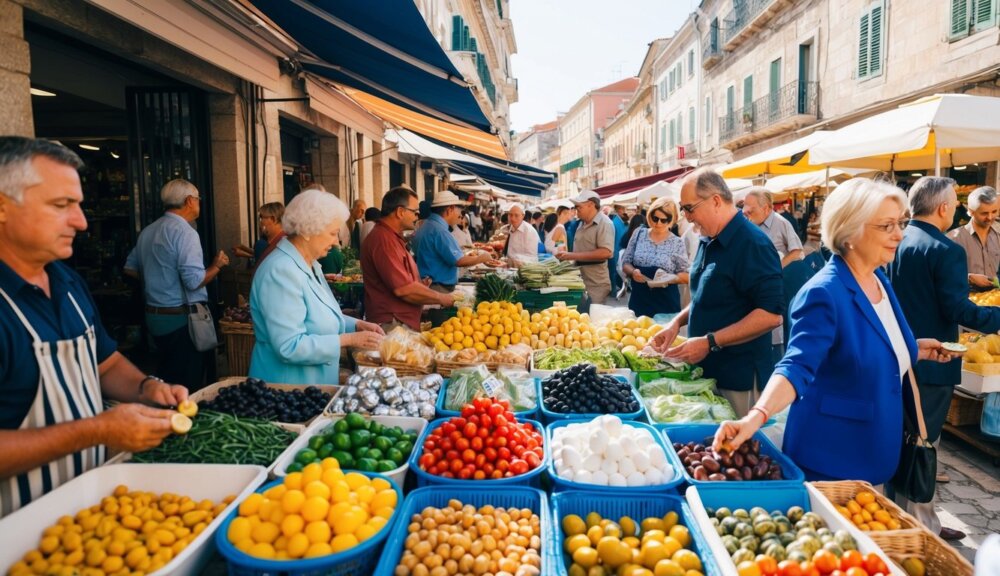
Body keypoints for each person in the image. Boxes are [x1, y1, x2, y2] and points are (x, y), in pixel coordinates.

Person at [710, 178, 956, 486]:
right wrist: (755, 417)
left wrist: (912, 348)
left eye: (900, 223)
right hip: (835, 459)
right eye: (887, 226)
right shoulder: (824, 292)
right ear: (851, 231)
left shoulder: (879, 279)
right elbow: (797, 365)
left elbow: (862, 344)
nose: (899, 234)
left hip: (875, 452)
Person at [0, 137, 186, 516]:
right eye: (61, 205)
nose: (81, 222)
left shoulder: (67, 282)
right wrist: (97, 430)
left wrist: (146, 387)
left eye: (79, 205)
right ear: (3, 206)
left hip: (88, 513)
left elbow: (105, 363)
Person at [888, 176, 1000, 541]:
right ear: (943, 208)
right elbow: (958, 309)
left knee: (903, 439)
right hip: (932, 361)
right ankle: (920, 525)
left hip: (898, 355)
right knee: (922, 444)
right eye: (954, 202)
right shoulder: (946, 249)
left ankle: (905, 515)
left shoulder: (896, 239)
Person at [649, 168, 784, 417]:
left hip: (737, 378)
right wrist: (676, 324)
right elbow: (706, 295)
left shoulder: (753, 244)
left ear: (715, 201)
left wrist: (710, 342)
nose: (687, 218)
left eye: (689, 208)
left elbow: (771, 316)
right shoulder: (708, 239)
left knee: (735, 452)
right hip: (708, 372)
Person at [249, 189, 384, 384]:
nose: (336, 242)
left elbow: (318, 313)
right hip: (286, 387)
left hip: (311, 384)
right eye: (332, 233)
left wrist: (355, 324)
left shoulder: (310, 263)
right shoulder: (280, 271)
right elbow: (289, 346)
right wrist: (349, 339)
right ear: (307, 231)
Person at [125, 178, 228, 391]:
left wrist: (157, 280)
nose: (199, 203)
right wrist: (217, 266)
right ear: (190, 201)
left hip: (154, 317)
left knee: (167, 378)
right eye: (198, 199)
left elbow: (129, 268)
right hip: (180, 319)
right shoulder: (185, 233)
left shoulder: (148, 231)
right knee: (186, 385)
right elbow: (194, 281)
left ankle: (166, 419)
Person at [361, 186, 456, 331]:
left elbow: (402, 280)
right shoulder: (383, 240)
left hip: (399, 320)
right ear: (400, 212)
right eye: (415, 212)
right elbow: (403, 289)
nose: (417, 216)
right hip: (392, 323)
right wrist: (441, 298)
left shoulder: (391, 237)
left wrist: (419, 284)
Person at [621, 198, 689, 316]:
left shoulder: (677, 242)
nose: (658, 223)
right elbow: (625, 262)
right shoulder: (639, 234)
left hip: (665, 302)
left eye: (664, 220)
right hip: (639, 299)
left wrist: (669, 278)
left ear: (672, 220)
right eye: (655, 218)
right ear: (649, 215)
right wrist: (633, 272)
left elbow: (686, 276)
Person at [412, 192, 492, 291]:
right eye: (459, 212)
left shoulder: (426, 225)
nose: (459, 215)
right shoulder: (440, 230)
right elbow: (459, 260)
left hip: (429, 284)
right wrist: (482, 258)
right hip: (438, 287)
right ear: (450, 209)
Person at [556, 191, 616, 305]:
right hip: (580, 280)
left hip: (595, 284)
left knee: (593, 317)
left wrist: (571, 256)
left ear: (591, 204)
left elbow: (606, 252)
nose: (576, 209)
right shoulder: (581, 223)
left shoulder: (605, 223)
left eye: (579, 206)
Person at [948, 185, 1000, 291]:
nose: (990, 217)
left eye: (994, 212)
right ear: (970, 211)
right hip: (966, 301)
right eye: (984, 213)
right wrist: (969, 278)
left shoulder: (998, 235)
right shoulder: (954, 239)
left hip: (994, 300)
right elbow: (943, 274)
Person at [742, 188, 804, 268]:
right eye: (745, 210)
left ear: (765, 208)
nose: (746, 214)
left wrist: (777, 269)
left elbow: (797, 252)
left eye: (751, 211)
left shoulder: (781, 223)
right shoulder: (750, 223)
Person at [233, 202, 286, 270]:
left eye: (261, 218)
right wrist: (243, 249)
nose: (260, 222)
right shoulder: (285, 239)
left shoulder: (262, 244)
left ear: (273, 219)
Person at [608, 203, 628, 293]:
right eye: (623, 209)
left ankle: (618, 289)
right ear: (618, 210)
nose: (624, 211)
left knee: (618, 271)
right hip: (615, 249)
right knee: (614, 271)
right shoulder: (615, 222)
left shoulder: (620, 221)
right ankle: (614, 291)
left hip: (620, 249)